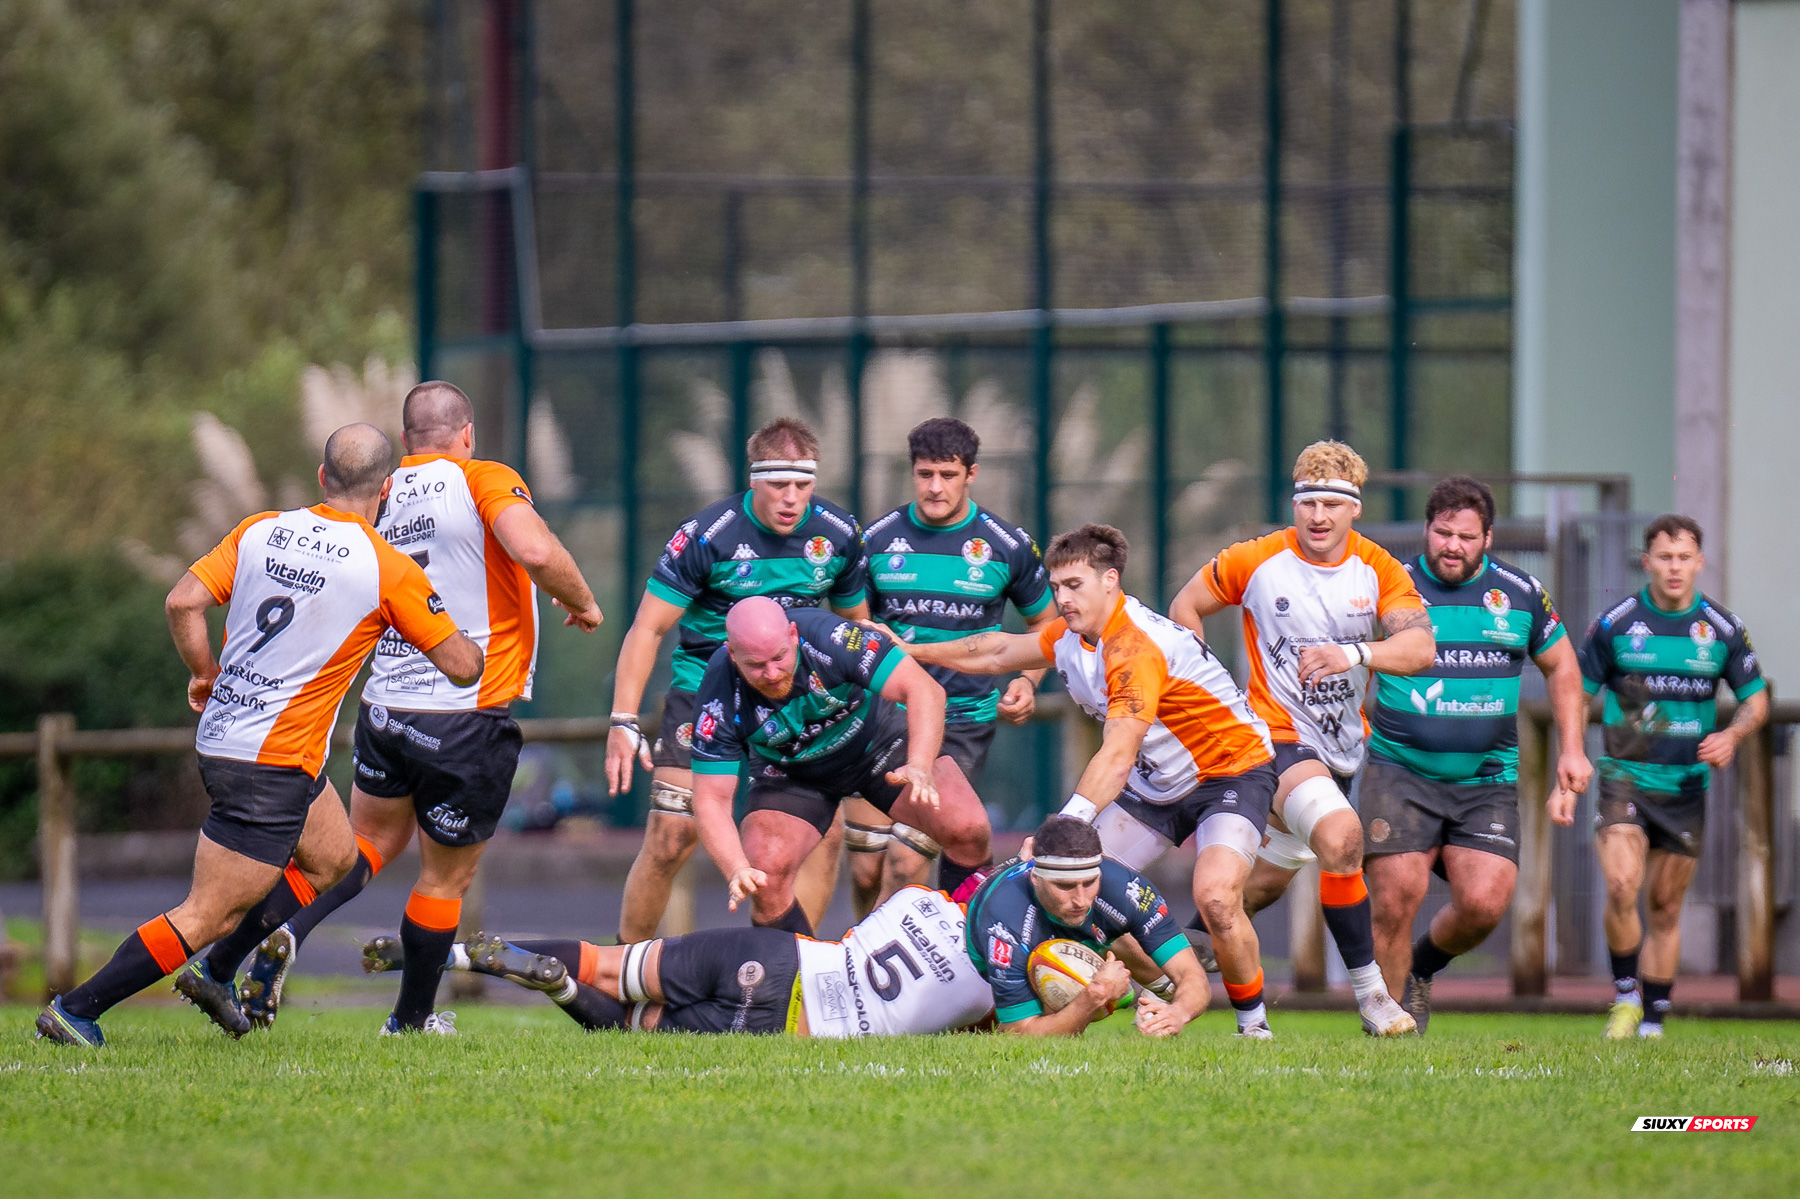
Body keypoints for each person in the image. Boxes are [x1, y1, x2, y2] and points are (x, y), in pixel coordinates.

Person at [36, 425, 484, 1047]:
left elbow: (182, 602)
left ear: (323, 477)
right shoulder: (389, 569)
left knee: (334, 859)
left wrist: (203, 671)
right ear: (385, 491)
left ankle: (217, 973)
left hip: (231, 736)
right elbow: (462, 666)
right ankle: (77, 1010)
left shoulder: (261, 529)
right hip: (269, 763)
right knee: (209, 913)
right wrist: (453, 620)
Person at [200, 382, 604, 1036]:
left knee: (363, 847)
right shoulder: (481, 476)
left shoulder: (378, 495)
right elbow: (532, 548)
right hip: (463, 712)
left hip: (386, 705)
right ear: (466, 433)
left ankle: (278, 936)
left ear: (405, 439)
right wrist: (582, 601)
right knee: (445, 879)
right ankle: (411, 1020)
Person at [890, 523, 1289, 1037]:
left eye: (1074, 585)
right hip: (1156, 783)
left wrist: (1063, 829)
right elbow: (997, 651)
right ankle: (1163, 992)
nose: (1062, 598)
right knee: (1078, 890)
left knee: (1215, 897)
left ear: (1110, 581)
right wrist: (911, 652)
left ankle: (1254, 1028)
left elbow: (1118, 754)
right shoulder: (1071, 635)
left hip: (1231, 771)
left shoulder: (1134, 647)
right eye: (1056, 587)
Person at [1169, 440, 1432, 1036]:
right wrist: (1209, 693)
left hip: (1340, 752)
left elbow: (1420, 648)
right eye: (1307, 502)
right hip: (1272, 740)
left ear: (1354, 508)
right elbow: (1186, 605)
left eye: (1331, 504)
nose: (1318, 516)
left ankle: (1141, 972)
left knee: (1244, 895)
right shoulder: (1257, 558)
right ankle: (1373, 998)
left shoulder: (1378, 568)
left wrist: (1354, 653)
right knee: (1343, 838)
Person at [606, 418, 867, 941]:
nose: (791, 498)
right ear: (754, 479)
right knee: (671, 833)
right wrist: (622, 720)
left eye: (803, 484)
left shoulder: (839, 534)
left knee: (823, 836)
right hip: (708, 689)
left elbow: (857, 630)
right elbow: (648, 628)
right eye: (779, 484)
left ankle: (791, 969)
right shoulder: (708, 535)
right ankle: (621, 968)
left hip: (796, 697)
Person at [1359, 477, 1593, 1031]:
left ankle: (1423, 965)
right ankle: (1387, 1029)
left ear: (1487, 538)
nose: (1453, 546)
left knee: (1485, 904)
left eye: (1466, 537)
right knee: (1396, 897)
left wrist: (1573, 750)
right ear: (1426, 530)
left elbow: (1563, 666)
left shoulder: (1520, 593)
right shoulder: (1391, 587)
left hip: (1487, 779)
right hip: (1399, 770)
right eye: (1443, 533)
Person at [848, 417, 1054, 915]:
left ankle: (906, 960)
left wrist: (1028, 680)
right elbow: (854, 627)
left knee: (905, 862)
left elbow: (1047, 625)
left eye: (948, 475)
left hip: (961, 724)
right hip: (884, 719)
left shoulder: (1006, 545)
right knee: (865, 869)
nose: (935, 487)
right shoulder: (875, 541)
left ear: (971, 474)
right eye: (925, 474)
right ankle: (863, 950)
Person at [688, 598, 992, 934]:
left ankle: (972, 947)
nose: (772, 674)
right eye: (756, 666)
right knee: (764, 877)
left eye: (779, 657)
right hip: (792, 772)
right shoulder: (719, 692)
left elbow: (924, 689)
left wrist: (919, 764)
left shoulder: (831, 636)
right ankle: (796, 968)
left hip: (876, 742)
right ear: (732, 654)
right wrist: (736, 867)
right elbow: (710, 799)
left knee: (968, 828)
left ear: (793, 634)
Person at [1574, 515, 1766, 1039]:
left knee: (1664, 905)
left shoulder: (1722, 629)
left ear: (1699, 562)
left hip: (1685, 787)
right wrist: (1572, 752)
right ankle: (1625, 997)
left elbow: (1755, 700)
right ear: (1647, 562)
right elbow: (1577, 692)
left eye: (1684, 558)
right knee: (1621, 884)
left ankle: (1654, 1021)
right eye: (1664, 557)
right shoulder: (1616, 624)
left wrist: (1732, 736)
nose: (1674, 567)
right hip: (1624, 778)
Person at [363, 884, 996, 1037]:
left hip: (773, 952)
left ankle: (442, 956)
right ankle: (556, 989)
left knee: (602, 961)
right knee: (629, 1024)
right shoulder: (988, 989)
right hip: (786, 1023)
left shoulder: (916, 898)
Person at [962, 815, 1210, 1037]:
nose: (1080, 900)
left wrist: (1178, 1012)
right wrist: (1095, 995)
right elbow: (1019, 1032)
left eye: (1089, 882)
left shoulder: (1126, 889)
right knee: (987, 1028)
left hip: (1077, 933)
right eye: (1065, 886)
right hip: (970, 965)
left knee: (1112, 927)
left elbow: (1192, 975)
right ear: (1036, 879)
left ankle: (1158, 992)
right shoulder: (1005, 921)